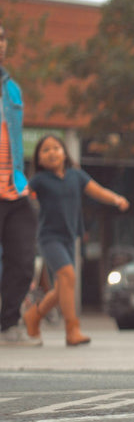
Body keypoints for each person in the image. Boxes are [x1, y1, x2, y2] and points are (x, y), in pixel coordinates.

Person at [22, 135, 129, 345]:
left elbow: (97, 191)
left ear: (65, 153)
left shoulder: (76, 175)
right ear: (39, 159)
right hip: (49, 238)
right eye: (45, 150)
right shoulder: (39, 180)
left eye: (56, 148)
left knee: (63, 286)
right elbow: (22, 194)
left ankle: (33, 316)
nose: (52, 152)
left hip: (70, 238)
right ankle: (72, 330)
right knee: (68, 275)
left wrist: (116, 199)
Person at [0, 23, 41, 347]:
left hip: (13, 188)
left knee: (24, 260)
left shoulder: (12, 89)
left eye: (1, 38)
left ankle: (8, 325)